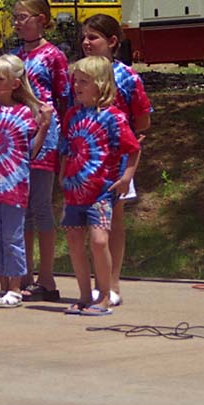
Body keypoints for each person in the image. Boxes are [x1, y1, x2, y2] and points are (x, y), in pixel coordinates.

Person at [59, 55, 140, 316]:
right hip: (74, 190)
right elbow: (66, 149)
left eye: (84, 81)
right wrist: (62, 175)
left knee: (98, 240)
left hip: (101, 190)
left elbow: (133, 148)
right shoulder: (71, 115)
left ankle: (105, 294)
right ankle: (84, 295)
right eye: (76, 81)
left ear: (101, 84)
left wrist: (126, 177)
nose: (77, 86)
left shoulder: (113, 117)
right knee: (73, 239)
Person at [0, 55, 52, 308]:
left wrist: (44, 128)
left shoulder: (26, 112)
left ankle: (15, 287)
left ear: (15, 83)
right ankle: (3, 285)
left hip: (14, 183)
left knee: (12, 236)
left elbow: (31, 151)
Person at [81, 14, 151, 307]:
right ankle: (97, 283)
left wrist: (128, 147)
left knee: (114, 219)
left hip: (116, 160)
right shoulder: (80, 72)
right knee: (92, 222)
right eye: (83, 37)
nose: (86, 43)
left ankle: (112, 283)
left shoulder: (127, 76)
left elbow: (142, 120)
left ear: (111, 42)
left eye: (93, 37)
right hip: (86, 160)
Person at [12, 0, 68, 302]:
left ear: (41, 20)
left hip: (45, 134)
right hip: (19, 135)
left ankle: (47, 277)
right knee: (22, 208)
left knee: (40, 205)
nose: (18, 23)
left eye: (24, 17)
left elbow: (63, 96)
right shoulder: (17, 55)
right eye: (16, 18)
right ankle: (25, 273)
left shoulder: (54, 56)